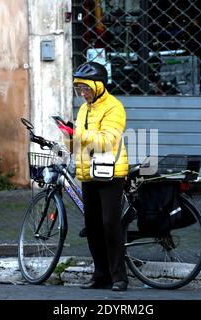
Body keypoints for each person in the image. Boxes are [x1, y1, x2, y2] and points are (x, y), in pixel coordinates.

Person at [72, 61, 129, 291]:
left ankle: (119, 277)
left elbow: (107, 140)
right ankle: (101, 275)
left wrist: (78, 135)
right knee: (92, 226)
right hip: (89, 172)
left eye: (86, 88)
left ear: (98, 86)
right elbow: (79, 140)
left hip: (111, 173)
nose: (83, 93)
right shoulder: (84, 109)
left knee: (109, 224)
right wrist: (69, 137)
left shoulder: (114, 107)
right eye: (80, 89)